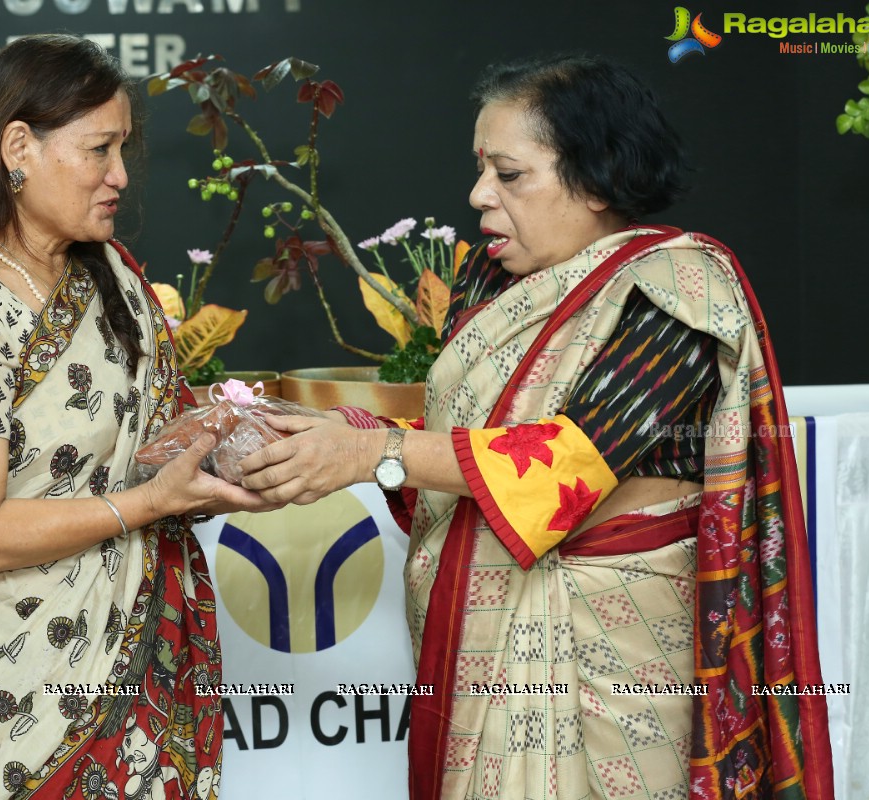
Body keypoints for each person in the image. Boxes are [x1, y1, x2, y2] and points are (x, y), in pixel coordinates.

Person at [239, 55, 834, 800]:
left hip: (607, 662)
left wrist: (370, 450)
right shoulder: (493, 282)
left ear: (599, 177)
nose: (479, 195)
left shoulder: (675, 288)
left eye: (510, 175)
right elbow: (466, 439)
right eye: (482, 169)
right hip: (476, 645)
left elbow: (562, 466)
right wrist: (328, 431)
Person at [0, 34, 274, 800]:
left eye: (123, 150)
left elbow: (136, 450)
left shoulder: (108, 274)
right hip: (4, 695)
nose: (120, 176)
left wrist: (226, 443)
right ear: (18, 147)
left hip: (137, 665)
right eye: (99, 150)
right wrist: (149, 504)